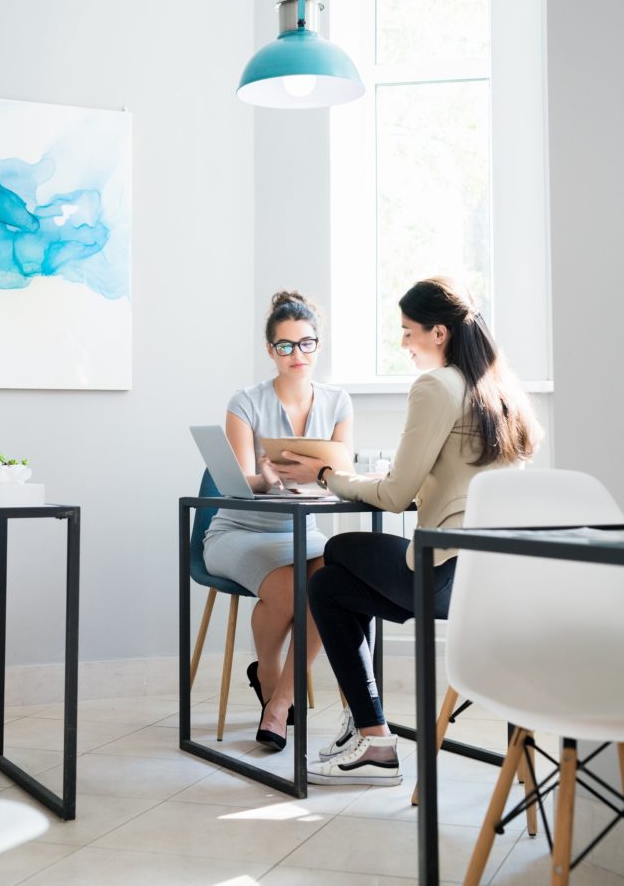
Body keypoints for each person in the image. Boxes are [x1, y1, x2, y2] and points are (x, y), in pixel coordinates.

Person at [270, 276, 541, 785]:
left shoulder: (436, 386)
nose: (403, 343)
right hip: (491, 577)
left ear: (438, 333)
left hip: (443, 573)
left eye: (407, 331)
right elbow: (454, 483)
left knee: (340, 548)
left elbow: (394, 497)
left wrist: (326, 476)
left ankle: (373, 738)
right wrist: (391, 484)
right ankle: (374, 740)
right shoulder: (499, 388)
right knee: (327, 586)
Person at [203, 290, 353, 751]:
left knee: (332, 584)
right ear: (270, 350)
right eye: (285, 346)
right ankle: (269, 674)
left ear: (318, 345)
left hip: (302, 531)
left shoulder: (338, 402)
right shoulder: (244, 402)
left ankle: (280, 700)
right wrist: (265, 480)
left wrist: (331, 477)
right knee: (290, 590)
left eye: (305, 343)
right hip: (241, 531)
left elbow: (340, 475)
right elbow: (235, 482)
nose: (296, 354)